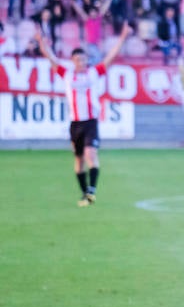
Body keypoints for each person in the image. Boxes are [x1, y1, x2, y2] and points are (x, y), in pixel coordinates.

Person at [35, 24, 132, 207]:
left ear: (87, 60)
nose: (81, 63)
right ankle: (84, 193)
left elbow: (111, 57)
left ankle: (92, 191)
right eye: (78, 60)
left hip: (90, 122)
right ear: (73, 61)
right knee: (78, 160)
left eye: (83, 59)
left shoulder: (94, 73)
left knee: (91, 154)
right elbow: (50, 57)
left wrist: (123, 37)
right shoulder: (67, 74)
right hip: (75, 123)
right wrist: (41, 42)